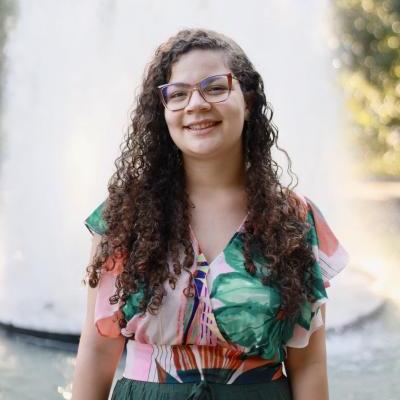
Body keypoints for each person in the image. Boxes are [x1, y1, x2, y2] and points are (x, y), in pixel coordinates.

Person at [72, 28, 349, 400]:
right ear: (163, 110)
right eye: (179, 94)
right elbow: (97, 350)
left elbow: (310, 363)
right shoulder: (125, 216)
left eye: (215, 87)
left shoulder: (294, 219)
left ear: (247, 100)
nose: (196, 104)